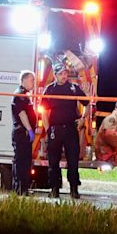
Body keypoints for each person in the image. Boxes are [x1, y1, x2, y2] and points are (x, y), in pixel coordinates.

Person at [42, 61, 90, 199]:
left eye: (66, 73)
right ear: (55, 75)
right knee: (53, 160)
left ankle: (74, 189)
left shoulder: (74, 88)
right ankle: (54, 189)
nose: (64, 76)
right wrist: (47, 128)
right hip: (55, 129)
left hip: (70, 129)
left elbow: (87, 104)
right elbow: (44, 111)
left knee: (73, 161)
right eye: (61, 73)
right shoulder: (50, 89)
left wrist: (83, 119)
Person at [11, 70, 37, 195]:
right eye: (32, 80)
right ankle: (20, 189)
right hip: (22, 133)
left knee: (26, 161)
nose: (34, 83)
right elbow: (22, 114)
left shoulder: (25, 94)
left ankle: (24, 188)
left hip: (24, 133)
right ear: (24, 80)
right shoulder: (20, 95)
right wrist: (30, 130)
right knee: (21, 162)